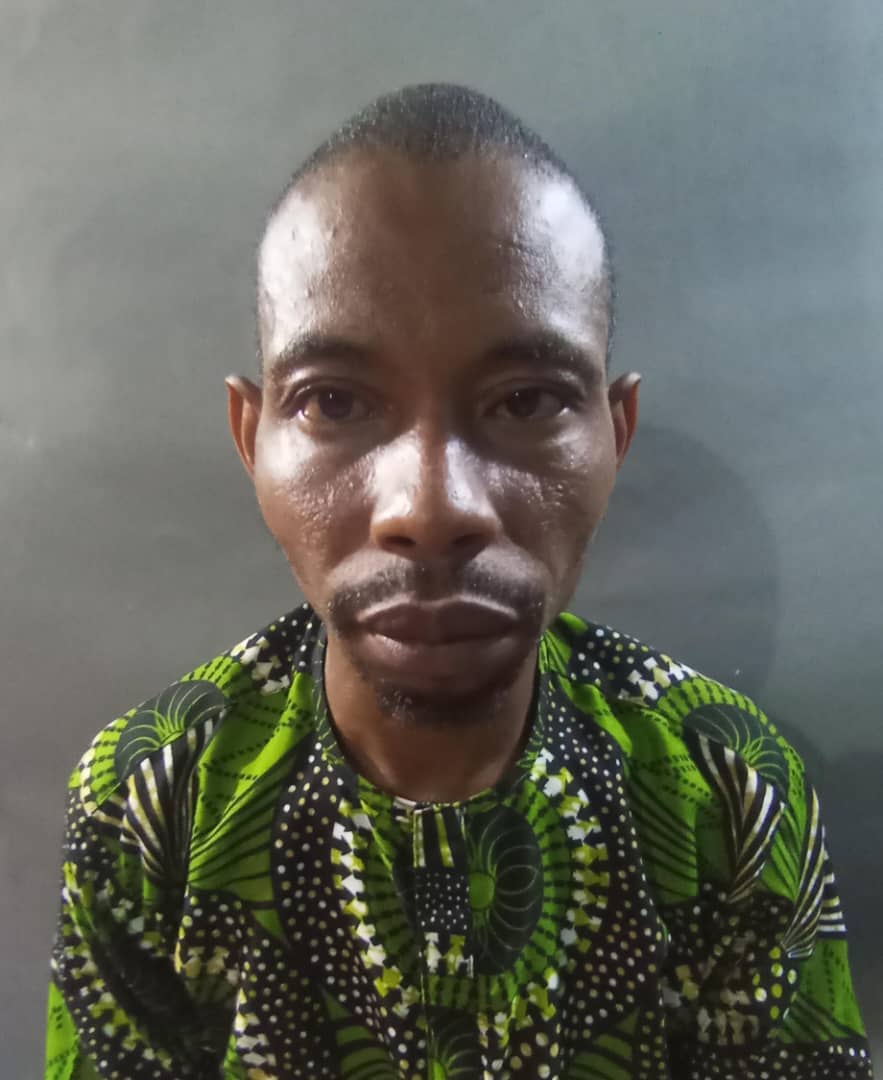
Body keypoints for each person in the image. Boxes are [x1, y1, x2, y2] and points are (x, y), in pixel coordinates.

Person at [45, 83, 872, 1080]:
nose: (430, 508)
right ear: (249, 438)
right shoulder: (151, 798)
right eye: (333, 402)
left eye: (524, 401)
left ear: (614, 436)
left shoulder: (730, 791)